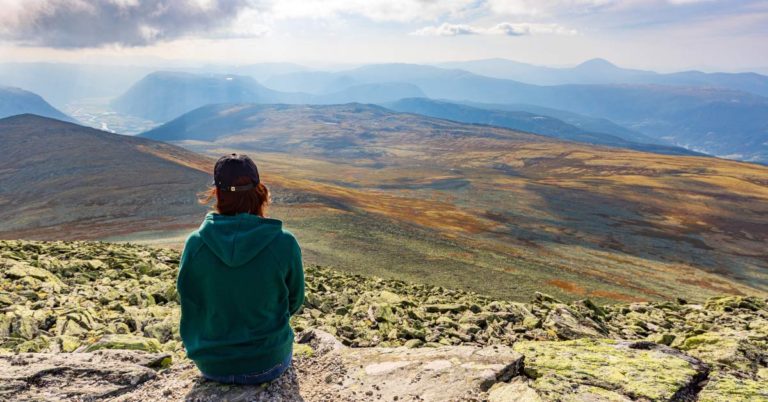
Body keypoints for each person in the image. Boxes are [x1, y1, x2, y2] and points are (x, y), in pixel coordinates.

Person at [177, 153, 305, 385]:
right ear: (260, 191)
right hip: (269, 362)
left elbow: (190, 298)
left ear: (216, 193)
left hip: (212, 365)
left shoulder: (195, 244)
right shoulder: (284, 243)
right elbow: (294, 300)